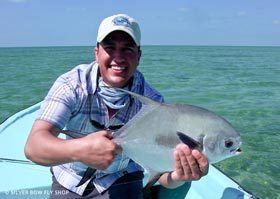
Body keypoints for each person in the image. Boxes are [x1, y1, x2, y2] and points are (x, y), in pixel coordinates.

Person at [24, 14, 208, 199]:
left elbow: (163, 176)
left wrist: (179, 177)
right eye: (110, 48)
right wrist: (79, 150)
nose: (118, 57)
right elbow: (34, 148)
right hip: (70, 178)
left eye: (127, 49)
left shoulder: (152, 101)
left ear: (139, 55)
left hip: (121, 177)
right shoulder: (72, 85)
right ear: (97, 52)